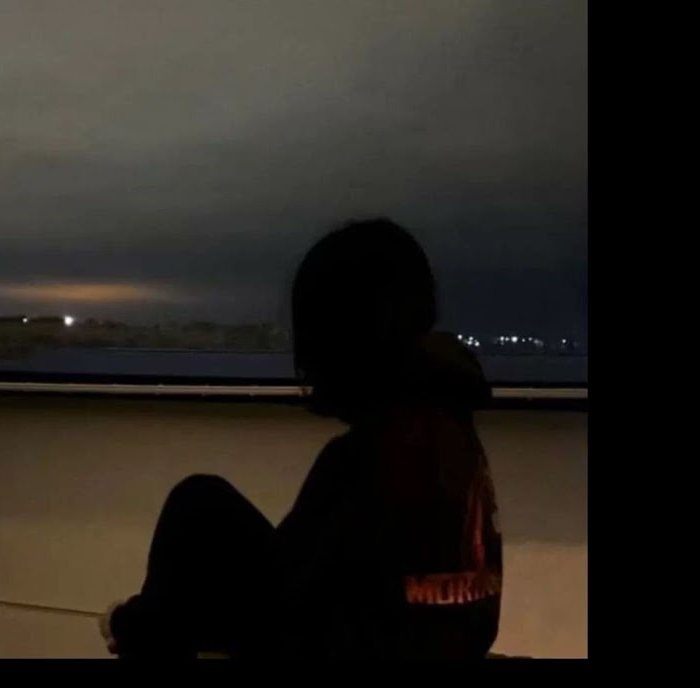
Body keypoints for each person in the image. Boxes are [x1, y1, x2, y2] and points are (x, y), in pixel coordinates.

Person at [99, 218, 503, 659]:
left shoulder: (363, 459)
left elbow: (287, 593)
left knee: (198, 505)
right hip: (433, 643)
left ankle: (137, 634)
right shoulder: (455, 435)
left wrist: (132, 621)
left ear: (340, 339)